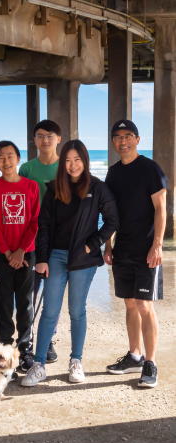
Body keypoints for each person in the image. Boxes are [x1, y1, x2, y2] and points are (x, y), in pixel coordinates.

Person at [21, 139, 119, 387]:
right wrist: (41, 258)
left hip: (83, 259)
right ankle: (39, 365)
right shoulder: (54, 188)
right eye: (67, 160)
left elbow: (112, 221)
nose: (73, 165)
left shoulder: (98, 187)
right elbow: (43, 225)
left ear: (85, 161)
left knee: (77, 311)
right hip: (55, 256)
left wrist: (91, 244)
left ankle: (76, 361)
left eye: (77, 159)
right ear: (62, 162)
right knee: (49, 312)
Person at [104, 120, 168, 388]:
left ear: (138, 140)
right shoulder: (113, 173)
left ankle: (150, 363)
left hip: (146, 250)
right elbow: (109, 212)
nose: (123, 141)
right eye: (117, 137)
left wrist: (158, 244)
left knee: (144, 305)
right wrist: (108, 245)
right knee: (129, 303)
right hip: (123, 249)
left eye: (128, 136)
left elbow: (160, 208)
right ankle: (134, 355)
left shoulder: (150, 168)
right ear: (113, 142)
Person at [0, 141, 40, 372]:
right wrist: (8, 252)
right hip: (1, 256)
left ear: (19, 159)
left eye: (10, 156)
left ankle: (25, 349)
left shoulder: (32, 186)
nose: (6, 161)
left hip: (26, 254)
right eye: (0, 157)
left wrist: (21, 250)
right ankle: (5, 350)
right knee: (3, 303)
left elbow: (35, 221)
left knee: (26, 302)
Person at [19, 119, 61, 363]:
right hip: (30, 241)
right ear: (34, 140)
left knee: (52, 294)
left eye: (50, 135)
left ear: (58, 139)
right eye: (40, 136)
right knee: (28, 295)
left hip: (57, 241)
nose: (45, 140)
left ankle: (48, 339)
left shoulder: (65, 168)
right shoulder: (27, 169)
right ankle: (28, 340)